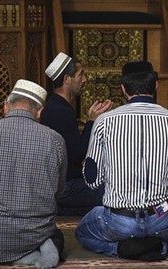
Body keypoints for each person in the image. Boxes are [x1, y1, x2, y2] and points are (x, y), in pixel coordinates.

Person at [75, 61, 168, 261]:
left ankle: (122, 249)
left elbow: (92, 180)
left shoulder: (104, 122)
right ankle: (160, 248)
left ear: (123, 88)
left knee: (82, 232)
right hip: (161, 219)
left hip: (119, 221)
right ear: (155, 86)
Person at [0, 79, 67, 268]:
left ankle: (19, 256)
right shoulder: (55, 140)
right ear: (40, 111)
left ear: (6, 106)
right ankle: (42, 248)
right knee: (56, 235)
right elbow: (59, 191)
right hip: (34, 233)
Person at [42, 52, 112, 216]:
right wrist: (92, 121)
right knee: (119, 193)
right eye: (81, 75)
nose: (85, 80)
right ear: (67, 79)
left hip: (61, 185)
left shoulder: (57, 106)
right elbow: (78, 153)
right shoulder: (60, 110)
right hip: (66, 187)